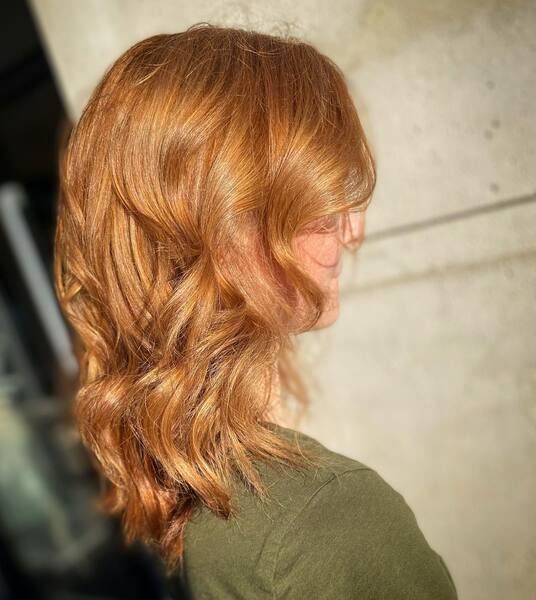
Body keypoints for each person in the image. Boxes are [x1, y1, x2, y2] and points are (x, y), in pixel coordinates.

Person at [54, 22, 458, 599]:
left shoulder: (200, 497)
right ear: (222, 231)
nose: (353, 230)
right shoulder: (325, 523)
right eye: (321, 204)